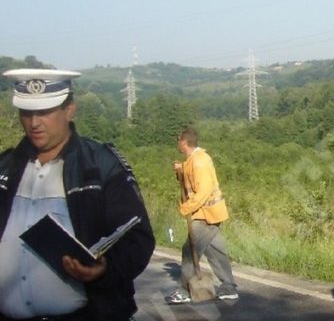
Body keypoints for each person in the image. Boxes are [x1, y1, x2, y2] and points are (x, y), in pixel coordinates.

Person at [0, 68, 155, 321]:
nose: (34, 122)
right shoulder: (5, 166)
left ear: (69, 109)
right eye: (26, 113)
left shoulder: (100, 166)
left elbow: (137, 239)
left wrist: (105, 270)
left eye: (45, 112)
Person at [165, 126, 238, 304]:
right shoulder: (193, 160)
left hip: (206, 215)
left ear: (184, 142)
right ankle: (229, 287)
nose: (177, 144)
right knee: (215, 250)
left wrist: (186, 208)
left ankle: (184, 290)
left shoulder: (199, 162)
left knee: (190, 250)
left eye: (178, 141)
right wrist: (181, 169)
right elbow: (191, 174)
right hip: (210, 214)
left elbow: (203, 191)